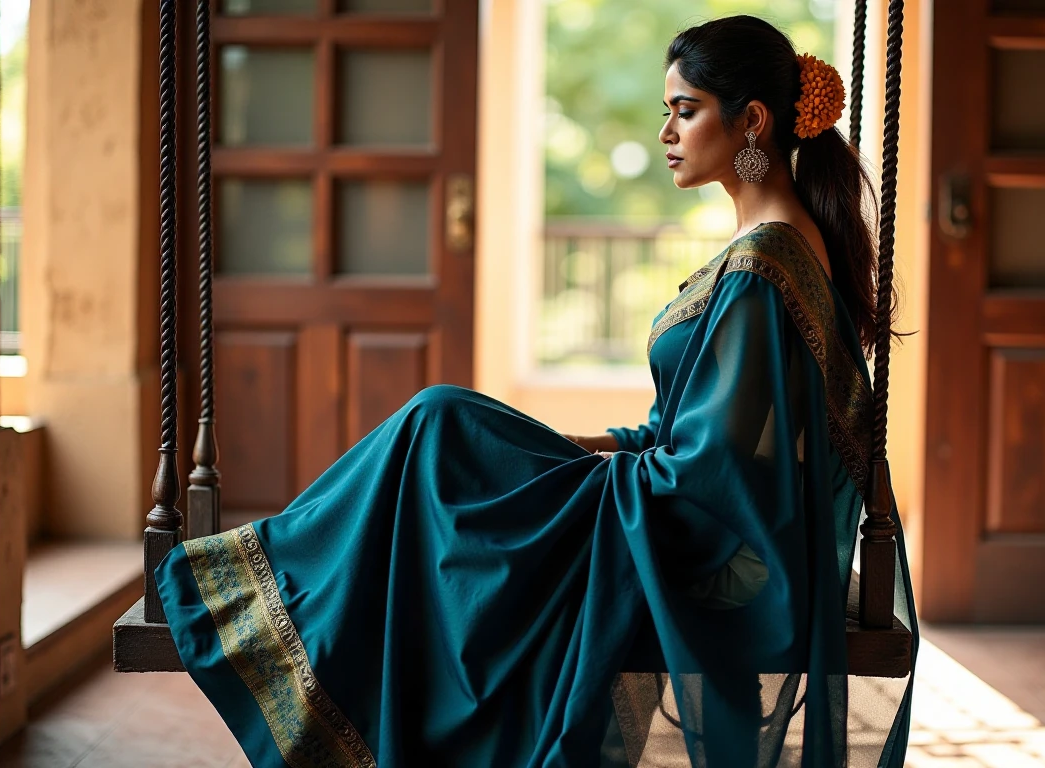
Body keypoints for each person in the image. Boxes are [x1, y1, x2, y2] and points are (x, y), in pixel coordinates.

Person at [154, 14, 917, 768]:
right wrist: (583, 451)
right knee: (444, 433)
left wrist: (589, 474)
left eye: (685, 111)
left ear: (751, 120)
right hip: (681, 508)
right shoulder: (770, 248)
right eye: (665, 112)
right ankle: (280, 602)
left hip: (695, 539)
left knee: (439, 428)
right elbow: (691, 435)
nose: (666, 133)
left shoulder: (765, 264)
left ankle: (256, 598)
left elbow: (716, 473)